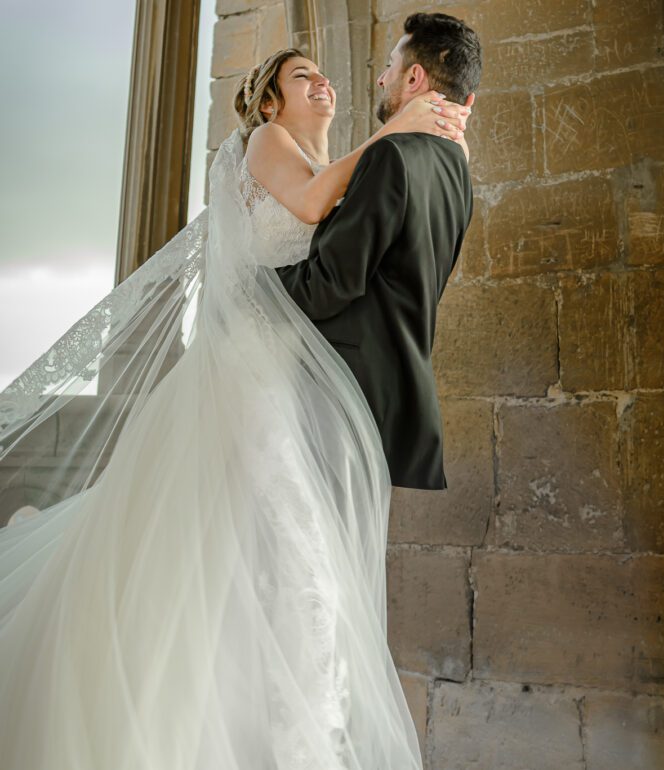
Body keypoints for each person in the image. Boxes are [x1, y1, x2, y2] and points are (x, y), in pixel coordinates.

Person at [0, 26, 472, 770]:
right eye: (302, 76)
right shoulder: (265, 147)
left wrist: (402, 142)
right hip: (253, 370)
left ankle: (251, 726)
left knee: (245, 558)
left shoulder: (323, 158)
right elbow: (315, 207)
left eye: (326, 75)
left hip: (291, 370)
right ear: (272, 101)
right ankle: (301, 740)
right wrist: (395, 132)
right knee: (293, 545)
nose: (323, 84)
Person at [275, 12, 482, 489]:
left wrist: (253, 281)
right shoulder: (457, 169)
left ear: (415, 77)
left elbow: (330, 284)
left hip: (344, 395)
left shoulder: (390, 155)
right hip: (394, 398)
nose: (382, 77)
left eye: (391, 65)